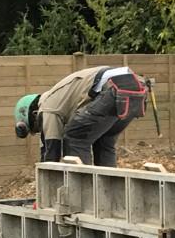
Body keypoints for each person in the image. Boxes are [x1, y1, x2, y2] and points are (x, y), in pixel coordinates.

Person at [22, 65, 153, 165]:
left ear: (34, 114)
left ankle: (82, 195)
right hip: (137, 88)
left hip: (113, 88)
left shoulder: (47, 105)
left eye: (37, 128)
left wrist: (48, 184)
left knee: (75, 139)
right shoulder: (62, 98)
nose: (41, 129)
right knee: (104, 141)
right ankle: (108, 194)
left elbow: (52, 149)